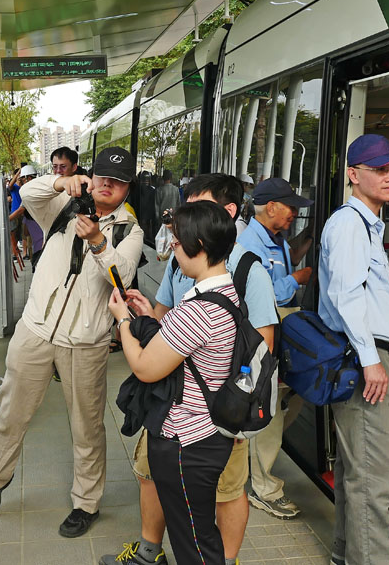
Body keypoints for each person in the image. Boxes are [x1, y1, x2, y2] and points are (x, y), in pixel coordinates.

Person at [100, 174, 278, 565]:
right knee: (197, 533)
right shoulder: (225, 292)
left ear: (198, 246)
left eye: (178, 244)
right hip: (209, 432)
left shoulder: (199, 309)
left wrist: (124, 323)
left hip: (187, 441)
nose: (173, 252)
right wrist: (149, 318)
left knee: (194, 544)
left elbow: (146, 368)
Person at [0, 147, 143, 538]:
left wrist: (100, 242)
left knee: (87, 427)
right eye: (102, 176)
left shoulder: (128, 231)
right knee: (10, 413)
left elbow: (123, 276)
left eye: (117, 181)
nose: (107, 185)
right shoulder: (64, 207)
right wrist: (60, 182)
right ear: (91, 176)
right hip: (35, 328)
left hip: (85, 342)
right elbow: (29, 194)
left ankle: (86, 503)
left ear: (127, 189)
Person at [319, 134, 389, 565]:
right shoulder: (351, 225)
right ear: (354, 175)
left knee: (358, 473)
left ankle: (345, 553)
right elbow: (346, 295)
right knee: (373, 480)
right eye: (379, 169)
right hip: (364, 361)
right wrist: (373, 361)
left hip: (366, 357)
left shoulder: (365, 222)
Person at [235, 176, 314, 519]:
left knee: (281, 405)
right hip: (266, 334)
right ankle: (264, 487)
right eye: (290, 207)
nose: (294, 213)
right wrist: (299, 278)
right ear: (270, 207)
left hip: (280, 330)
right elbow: (268, 292)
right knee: (270, 408)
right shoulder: (249, 242)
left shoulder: (273, 236)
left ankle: (256, 473)